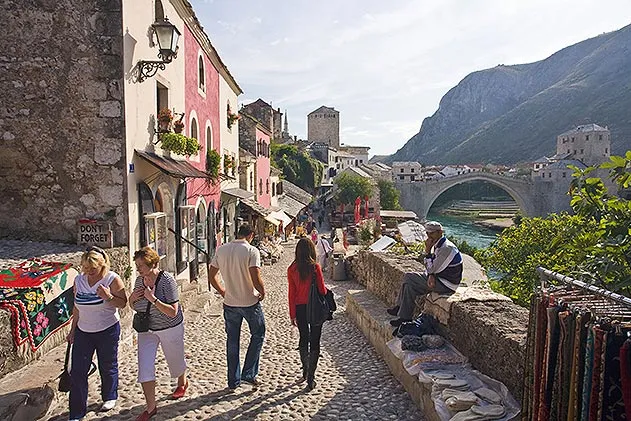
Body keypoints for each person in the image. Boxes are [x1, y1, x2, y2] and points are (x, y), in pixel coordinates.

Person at [68, 246, 127, 421]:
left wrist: (108, 297)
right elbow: (77, 307)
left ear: (102, 265)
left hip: (107, 329)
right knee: (78, 371)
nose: (89, 272)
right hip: (83, 331)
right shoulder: (79, 281)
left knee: (107, 364)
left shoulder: (112, 279)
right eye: (86, 268)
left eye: (93, 269)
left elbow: (123, 303)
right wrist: (73, 330)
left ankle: (109, 396)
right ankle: (76, 412)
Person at [130, 247, 188, 421]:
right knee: (145, 366)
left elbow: (172, 311)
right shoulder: (139, 281)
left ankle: (182, 381)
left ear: (153, 264)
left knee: (175, 361)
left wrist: (152, 299)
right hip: (147, 329)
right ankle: (151, 408)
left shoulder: (167, 280)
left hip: (169, 327)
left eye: (141, 265)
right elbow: (134, 306)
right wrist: (132, 299)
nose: (138, 269)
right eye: (137, 265)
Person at [208, 224, 266, 390]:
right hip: (249, 302)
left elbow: (212, 276)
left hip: (230, 303)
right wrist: (262, 291)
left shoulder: (222, 250)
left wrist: (223, 291)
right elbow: (255, 276)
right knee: (258, 333)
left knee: (232, 341)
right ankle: (248, 373)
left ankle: (233, 380)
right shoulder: (251, 251)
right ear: (251, 235)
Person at [387, 221, 463, 326]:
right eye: (427, 233)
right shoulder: (438, 245)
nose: (429, 236)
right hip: (440, 278)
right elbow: (433, 269)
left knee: (409, 277)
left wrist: (427, 251)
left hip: (447, 284)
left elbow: (431, 268)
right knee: (410, 286)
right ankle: (404, 317)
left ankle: (400, 309)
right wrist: (431, 275)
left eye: (431, 233)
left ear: (440, 232)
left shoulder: (446, 248)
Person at [287, 238, 328, 390]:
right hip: (315, 307)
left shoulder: (292, 269)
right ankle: (311, 377)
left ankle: (305, 369)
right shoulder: (315, 268)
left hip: (300, 308)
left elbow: (291, 293)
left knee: (304, 338)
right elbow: (322, 290)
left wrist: (292, 314)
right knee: (315, 340)